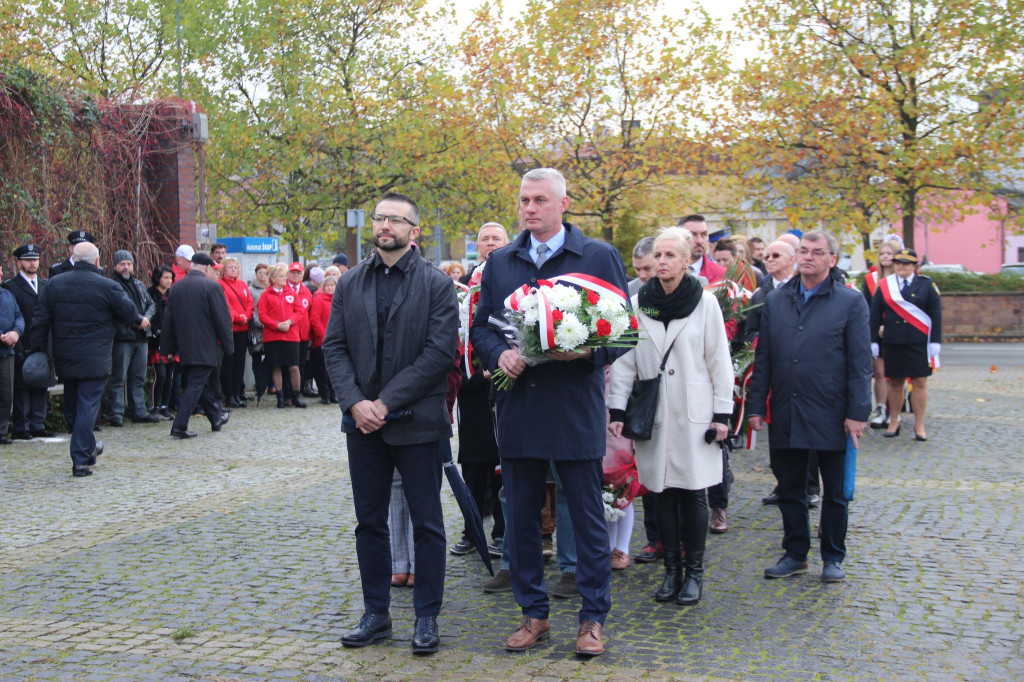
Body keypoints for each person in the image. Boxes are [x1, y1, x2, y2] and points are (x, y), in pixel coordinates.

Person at [470, 168, 629, 657]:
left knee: (585, 519)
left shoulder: (597, 256)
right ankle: (533, 615)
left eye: (540, 199)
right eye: (523, 200)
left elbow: (623, 333)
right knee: (519, 520)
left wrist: (583, 353)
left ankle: (592, 619)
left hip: (574, 407)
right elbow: (482, 329)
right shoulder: (501, 262)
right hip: (518, 407)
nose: (529, 208)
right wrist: (499, 354)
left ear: (563, 204)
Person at [322, 191, 459, 655]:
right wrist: (357, 403)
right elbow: (334, 348)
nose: (385, 226)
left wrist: (384, 401)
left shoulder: (437, 284)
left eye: (396, 220)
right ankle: (376, 613)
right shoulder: (350, 283)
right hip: (362, 425)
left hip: (417, 422)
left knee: (427, 523)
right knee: (369, 523)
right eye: (380, 218)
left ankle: (426, 618)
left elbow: (439, 354)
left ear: (413, 231)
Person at [608, 227, 733, 605]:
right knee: (659, 495)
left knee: (694, 495)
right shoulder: (638, 302)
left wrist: (722, 414)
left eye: (669, 256)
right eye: (657, 256)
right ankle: (671, 572)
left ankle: (693, 574)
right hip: (654, 413)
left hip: (694, 413)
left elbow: (719, 361)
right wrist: (617, 408)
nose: (661, 262)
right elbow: (626, 360)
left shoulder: (705, 303)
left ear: (685, 260)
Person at [748, 230, 871, 583]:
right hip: (787, 407)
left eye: (817, 252)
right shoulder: (776, 299)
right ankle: (796, 553)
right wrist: (756, 406)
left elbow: (860, 362)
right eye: (803, 251)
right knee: (790, 488)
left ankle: (833, 556)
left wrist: (857, 413)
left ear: (832, 259)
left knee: (834, 492)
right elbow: (765, 356)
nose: (808, 257)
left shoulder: (850, 302)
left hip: (832, 410)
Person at [30, 242, 139, 476]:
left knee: (73, 407)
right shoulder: (108, 286)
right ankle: (80, 459)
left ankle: (88, 448)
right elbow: (130, 313)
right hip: (96, 358)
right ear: (98, 261)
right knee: (87, 407)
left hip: (66, 357)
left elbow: (40, 320)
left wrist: (38, 350)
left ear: (72, 257)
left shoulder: (54, 285)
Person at [160, 252, 233, 439]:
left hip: (185, 346)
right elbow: (222, 319)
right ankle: (179, 425)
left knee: (200, 383)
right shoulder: (212, 286)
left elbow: (168, 321)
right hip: (205, 345)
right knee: (195, 385)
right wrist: (228, 346)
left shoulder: (176, 288)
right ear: (208, 268)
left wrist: (167, 348)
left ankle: (215, 418)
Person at [870, 248, 941, 441]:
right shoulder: (886, 285)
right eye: (898, 262)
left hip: (918, 342)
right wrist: (873, 341)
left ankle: (919, 424)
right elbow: (875, 315)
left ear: (915, 266)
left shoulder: (926, 285)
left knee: (920, 382)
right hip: (894, 341)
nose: (901, 266)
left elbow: (935, 314)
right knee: (895, 383)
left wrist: (935, 341)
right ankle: (894, 420)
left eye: (906, 263)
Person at [3, 244, 53, 439]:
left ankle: (37, 423)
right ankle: (22, 426)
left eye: (35, 259)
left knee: (41, 383)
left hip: (43, 342)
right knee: (22, 386)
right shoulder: (11, 287)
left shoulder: (47, 285)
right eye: (28, 260)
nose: (33, 263)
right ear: (19, 262)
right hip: (22, 342)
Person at [105, 250, 159, 426]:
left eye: (129, 263)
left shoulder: (138, 284)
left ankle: (139, 411)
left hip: (141, 337)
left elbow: (151, 304)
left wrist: (146, 319)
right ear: (115, 266)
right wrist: (136, 320)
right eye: (122, 264)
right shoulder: (111, 284)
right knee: (118, 378)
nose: (126, 267)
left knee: (138, 377)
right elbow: (117, 309)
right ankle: (116, 413)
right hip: (122, 337)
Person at [864, 239, 902, 428]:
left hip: (895, 331)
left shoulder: (900, 280)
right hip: (875, 331)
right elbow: (867, 308)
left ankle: (894, 410)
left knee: (895, 373)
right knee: (879, 372)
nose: (885, 257)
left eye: (889, 253)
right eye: (882, 254)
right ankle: (880, 408)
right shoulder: (870, 280)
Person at [258, 263, 306, 408]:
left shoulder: (291, 293)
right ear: (273, 279)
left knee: (294, 367)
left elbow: (300, 311)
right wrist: (276, 325)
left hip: (291, 335)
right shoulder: (265, 295)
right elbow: (262, 315)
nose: (285, 278)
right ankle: (280, 397)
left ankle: (296, 396)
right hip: (273, 336)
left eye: (285, 276)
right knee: (276, 366)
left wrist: (290, 321)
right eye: (281, 276)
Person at [219, 257, 255, 408]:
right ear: (224, 270)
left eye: (235, 267)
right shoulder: (221, 285)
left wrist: (247, 315)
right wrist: (237, 317)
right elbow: (225, 305)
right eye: (230, 267)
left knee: (240, 362)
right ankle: (228, 395)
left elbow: (250, 303)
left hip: (243, 329)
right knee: (229, 363)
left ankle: (236, 393)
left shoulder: (242, 285)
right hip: (230, 329)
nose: (233, 269)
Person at [147, 265, 177, 420]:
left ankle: (165, 405)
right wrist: (154, 330)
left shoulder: (173, 294)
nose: (169, 281)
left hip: (171, 340)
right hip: (156, 339)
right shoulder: (150, 294)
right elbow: (147, 314)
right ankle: (155, 406)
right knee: (161, 374)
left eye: (171, 278)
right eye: (165, 278)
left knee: (170, 375)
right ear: (158, 278)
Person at [0, 262, 24, 445]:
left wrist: (16, 332)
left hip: (7, 352)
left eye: (0, 271)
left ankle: (2, 431)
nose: (0, 275)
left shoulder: (7, 295)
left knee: (6, 394)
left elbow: (18, 315)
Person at [285, 262, 314, 402]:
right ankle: (288, 394)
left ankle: (298, 391)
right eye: (293, 272)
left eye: (298, 272)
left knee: (301, 364)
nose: (295, 275)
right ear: (288, 274)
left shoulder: (306, 291)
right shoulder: (283, 289)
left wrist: (311, 335)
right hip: (288, 335)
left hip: (303, 334)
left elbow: (311, 313)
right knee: (290, 365)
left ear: (303, 275)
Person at [309, 275, 336, 404]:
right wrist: (324, 336)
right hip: (323, 341)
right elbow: (315, 319)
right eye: (327, 285)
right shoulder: (319, 300)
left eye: (332, 285)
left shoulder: (339, 300)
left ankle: (333, 394)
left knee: (334, 370)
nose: (330, 287)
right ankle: (325, 394)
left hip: (337, 341)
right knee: (322, 370)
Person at [679, 215, 726, 284]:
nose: (700, 241)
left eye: (704, 234)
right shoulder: (667, 271)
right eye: (693, 235)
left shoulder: (720, 274)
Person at [248, 263, 270, 403]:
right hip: (257, 329)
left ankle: (271, 385)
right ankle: (258, 384)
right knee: (256, 357)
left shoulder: (271, 289)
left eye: (265, 273)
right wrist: (260, 322)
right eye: (260, 273)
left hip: (270, 328)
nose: (263, 275)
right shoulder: (250, 289)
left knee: (271, 358)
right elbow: (252, 309)